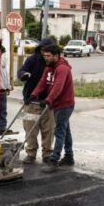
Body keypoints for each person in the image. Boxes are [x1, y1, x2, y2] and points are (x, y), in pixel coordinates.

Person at [29, 44, 75, 173]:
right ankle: (69, 156)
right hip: (57, 103)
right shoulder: (49, 67)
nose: (45, 58)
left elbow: (58, 87)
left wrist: (49, 99)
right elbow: (43, 82)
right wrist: (33, 94)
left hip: (65, 104)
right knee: (66, 130)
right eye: (44, 55)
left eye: (48, 56)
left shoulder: (62, 69)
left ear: (56, 56)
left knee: (59, 131)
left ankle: (54, 160)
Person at [17, 38, 55, 164]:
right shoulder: (32, 59)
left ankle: (47, 154)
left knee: (48, 131)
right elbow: (21, 71)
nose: (45, 53)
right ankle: (31, 153)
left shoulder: (54, 63)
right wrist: (23, 74)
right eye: (43, 50)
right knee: (29, 129)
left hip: (48, 103)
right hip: (30, 101)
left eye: (48, 50)